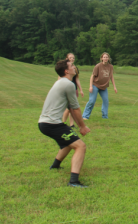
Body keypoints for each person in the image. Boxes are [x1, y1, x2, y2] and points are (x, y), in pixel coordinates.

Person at [38, 59, 91, 188]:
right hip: (52, 124)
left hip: (45, 123)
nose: (74, 67)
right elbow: (76, 109)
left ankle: (55, 166)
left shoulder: (61, 83)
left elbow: (71, 108)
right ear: (66, 71)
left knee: (69, 141)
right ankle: (73, 181)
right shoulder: (68, 84)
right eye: (72, 66)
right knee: (80, 146)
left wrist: (79, 126)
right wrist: (82, 127)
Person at [82, 52, 117, 120]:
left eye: (107, 57)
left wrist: (114, 87)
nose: (105, 58)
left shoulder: (110, 66)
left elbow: (111, 77)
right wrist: (90, 86)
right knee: (92, 101)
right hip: (95, 85)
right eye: (104, 57)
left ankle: (105, 116)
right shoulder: (98, 66)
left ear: (108, 58)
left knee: (106, 100)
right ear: (102, 58)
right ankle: (85, 116)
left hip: (104, 87)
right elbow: (92, 76)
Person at [61, 53, 84, 127]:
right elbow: (60, 78)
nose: (72, 59)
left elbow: (77, 79)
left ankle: (71, 124)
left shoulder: (75, 68)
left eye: (73, 58)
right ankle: (63, 123)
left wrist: (80, 89)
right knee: (68, 108)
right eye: (70, 58)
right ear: (67, 58)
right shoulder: (64, 68)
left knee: (73, 107)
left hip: (74, 89)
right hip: (67, 89)